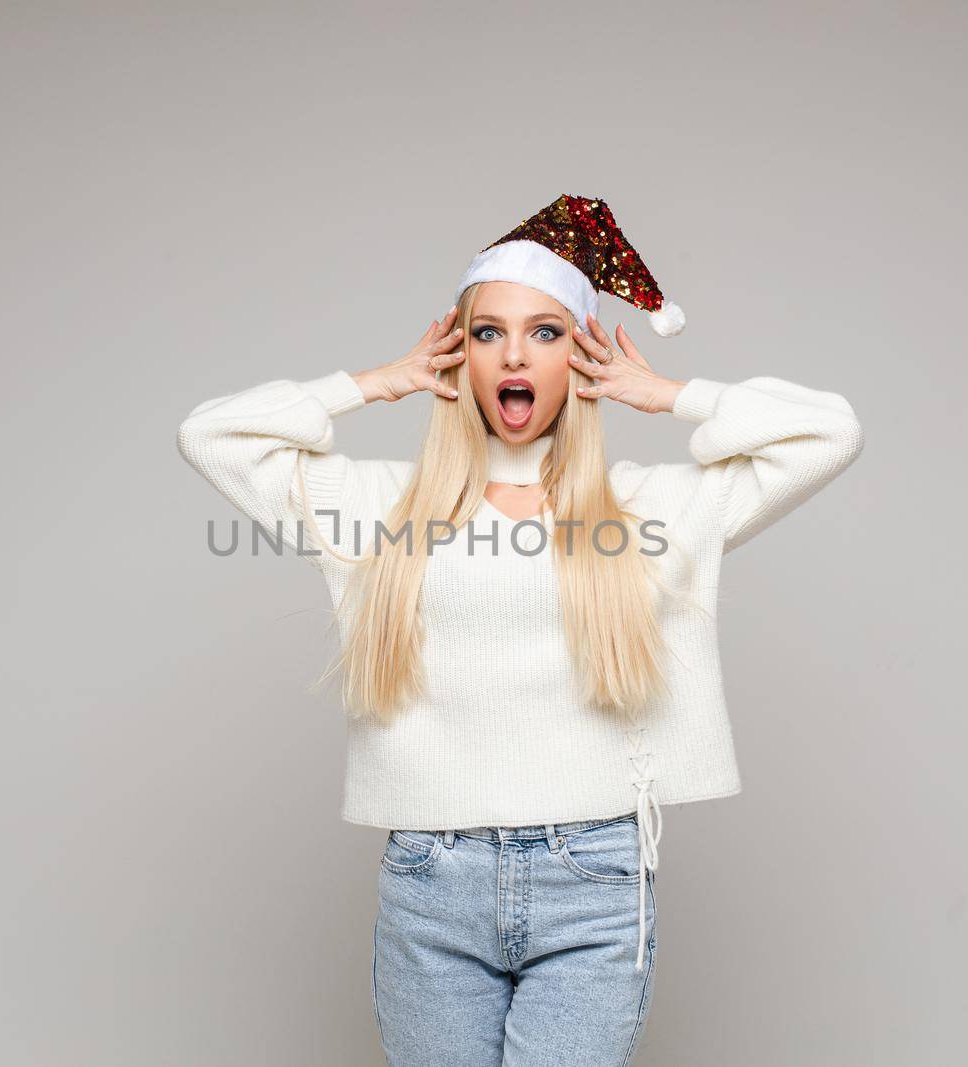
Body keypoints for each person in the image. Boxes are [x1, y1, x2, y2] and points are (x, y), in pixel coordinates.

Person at [177, 194, 865, 1065]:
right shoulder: (380, 510)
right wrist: (374, 381)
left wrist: (664, 394)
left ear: (576, 355)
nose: (513, 353)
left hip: (595, 879)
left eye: (544, 332)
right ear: (461, 355)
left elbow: (829, 431)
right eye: (489, 331)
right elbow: (210, 434)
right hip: (432, 881)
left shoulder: (652, 510)